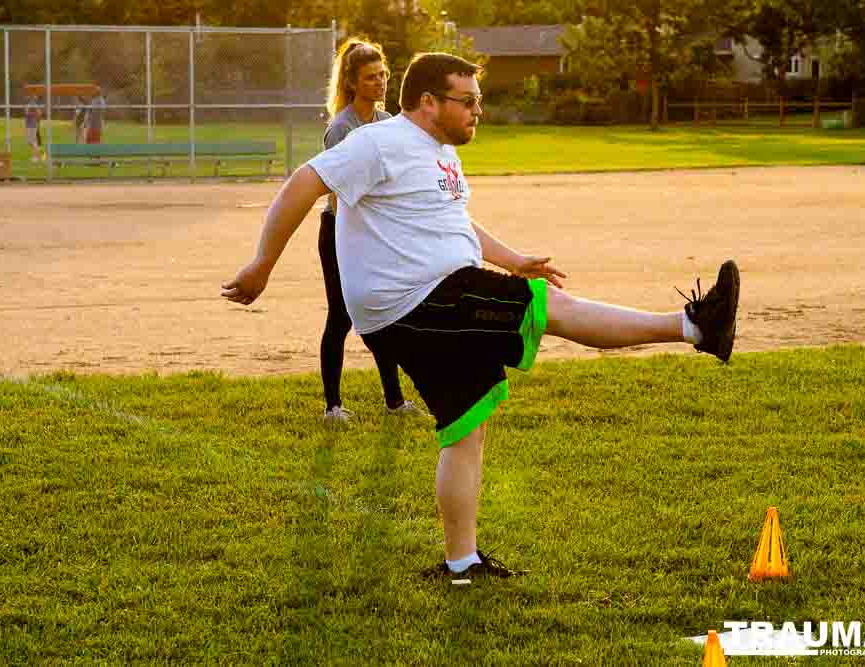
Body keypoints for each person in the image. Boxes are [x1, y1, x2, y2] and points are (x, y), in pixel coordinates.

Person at [222, 53, 740, 586]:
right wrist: (262, 265)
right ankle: (695, 326)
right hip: (420, 297)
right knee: (547, 308)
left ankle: (460, 564)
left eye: (479, 101)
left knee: (465, 428)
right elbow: (303, 183)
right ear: (428, 103)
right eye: (466, 101)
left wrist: (512, 259)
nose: (478, 112)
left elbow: (454, 220)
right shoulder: (379, 142)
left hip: (429, 301)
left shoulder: (438, 152)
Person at [319, 38, 420, 423]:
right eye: (371, 77)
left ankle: (394, 402)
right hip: (339, 234)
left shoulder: (386, 123)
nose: (380, 83)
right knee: (340, 317)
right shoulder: (341, 128)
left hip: (374, 233)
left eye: (383, 76)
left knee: (385, 314)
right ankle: (332, 406)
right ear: (353, 82)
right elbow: (333, 192)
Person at [25, 96, 44, 162]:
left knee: (32, 141)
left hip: (32, 125)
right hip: (29, 125)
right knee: (30, 142)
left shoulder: (33, 104)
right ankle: (39, 156)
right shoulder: (30, 103)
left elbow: (39, 114)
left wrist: (30, 114)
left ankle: (36, 157)